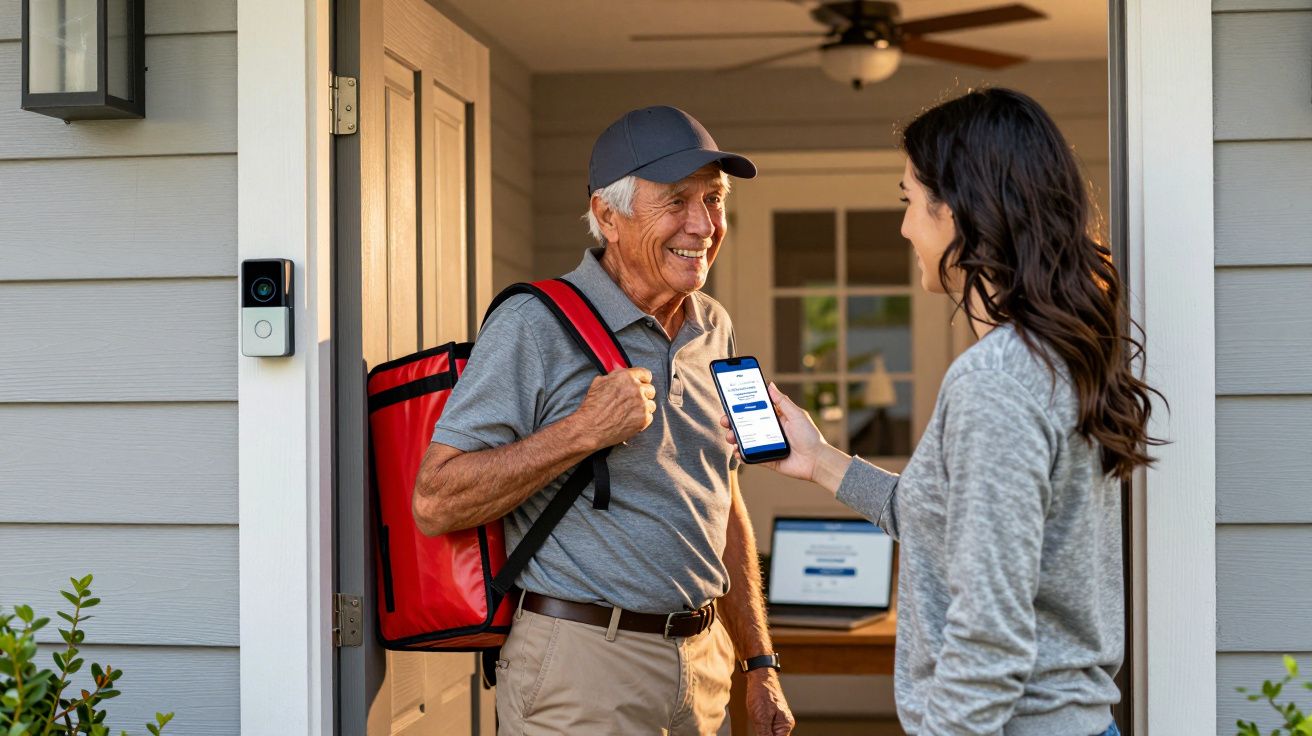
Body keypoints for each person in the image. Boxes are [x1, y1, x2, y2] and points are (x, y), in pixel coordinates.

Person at [722, 88, 1162, 736]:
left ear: (955, 210)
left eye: (908, 201)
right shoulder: (1046, 359)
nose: (903, 228)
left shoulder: (996, 382)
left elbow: (991, 637)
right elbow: (947, 525)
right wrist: (819, 460)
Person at [414, 105, 794, 736]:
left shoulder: (713, 326)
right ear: (607, 217)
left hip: (704, 665)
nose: (704, 225)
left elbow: (721, 497)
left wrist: (759, 662)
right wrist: (582, 433)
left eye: (714, 199)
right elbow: (435, 498)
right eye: (677, 201)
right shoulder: (532, 325)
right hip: (584, 664)